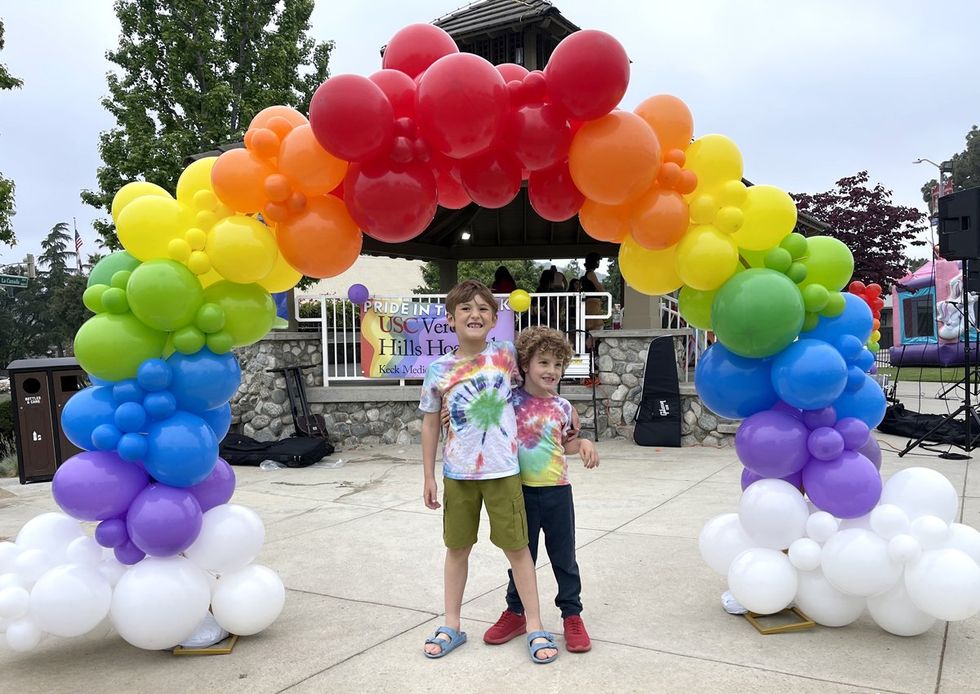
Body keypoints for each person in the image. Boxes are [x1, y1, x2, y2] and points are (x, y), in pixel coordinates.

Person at [419, 280, 559, 664]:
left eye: (483, 308)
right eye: (465, 309)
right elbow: (430, 424)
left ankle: (535, 625)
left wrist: (562, 406)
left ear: (495, 319)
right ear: (450, 319)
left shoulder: (507, 356)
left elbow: (536, 384)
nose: (474, 314)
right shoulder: (438, 369)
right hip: (457, 474)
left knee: (519, 550)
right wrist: (429, 476)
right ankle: (452, 624)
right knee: (457, 548)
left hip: (503, 471)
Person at [483, 326, 599, 654]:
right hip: (519, 493)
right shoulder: (510, 399)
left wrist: (584, 443)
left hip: (558, 492)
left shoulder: (563, 407)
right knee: (523, 556)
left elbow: (566, 443)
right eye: (543, 362)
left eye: (558, 364)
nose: (551, 371)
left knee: (564, 558)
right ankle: (516, 611)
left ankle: (572, 615)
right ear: (525, 365)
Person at [580, 253, 605, 385]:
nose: (598, 263)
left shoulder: (586, 275)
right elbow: (600, 288)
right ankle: (588, 348)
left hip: (591, 303)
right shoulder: (591, 274)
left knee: (594, 329)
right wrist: (601, 286)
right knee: (597, 328)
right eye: (597, 261)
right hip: (593, 303)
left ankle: (589, 351)